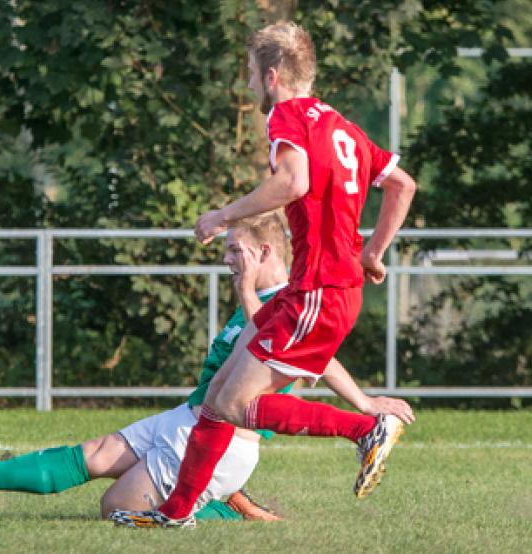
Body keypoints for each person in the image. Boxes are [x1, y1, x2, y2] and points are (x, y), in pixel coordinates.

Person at [110, 22, 417, 529]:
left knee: (232, 403)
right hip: (320, 290)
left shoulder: (288, 117)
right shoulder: (342, 126)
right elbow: (402, 186)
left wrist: (222, 216)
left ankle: (365, 429)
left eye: (251, 75)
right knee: (217, 399)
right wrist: (374, 252)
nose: (249, 86)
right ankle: (175, 514)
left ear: (272, 76)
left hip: (319, 292)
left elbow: (292, 182)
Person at [0, 213, 414, 522]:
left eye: (236, 250)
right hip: (187, 420)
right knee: (93, 454)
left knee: (116, 508)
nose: (228, 260)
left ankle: (225, 508)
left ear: (264, 252)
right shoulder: (259, 298)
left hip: (223, 441)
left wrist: (366, 404)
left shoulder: (284, 301)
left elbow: (312, 364)